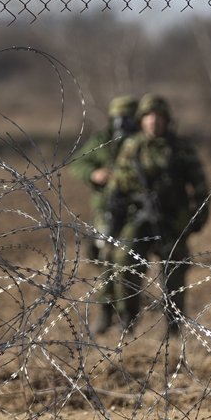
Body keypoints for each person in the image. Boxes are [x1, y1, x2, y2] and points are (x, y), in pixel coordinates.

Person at [105, 93, 208, 333]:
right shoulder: (131, 147)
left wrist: (196, 219)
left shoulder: (180, 148)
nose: (154, 121)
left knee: (174, 271)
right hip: (139, 217)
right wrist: (115, 214)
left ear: (166, 120)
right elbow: (117, 185)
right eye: (149, 116)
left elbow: (200, 186)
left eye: (159, 117)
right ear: (141, 120)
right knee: (124, 262)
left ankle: (174, 325)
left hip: (171, 219)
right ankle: (127, 318)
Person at [70, 94, 139, 333]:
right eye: (120, 117)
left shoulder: (141, 141)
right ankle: (106, 310)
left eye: (129, 116)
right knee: (102, 259)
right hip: (105, 210)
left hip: (134, 210)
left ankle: (126, 312)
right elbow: (78, 163)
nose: (124, 122)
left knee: (126, 261)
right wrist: (94, 174)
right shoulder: (102, 140)